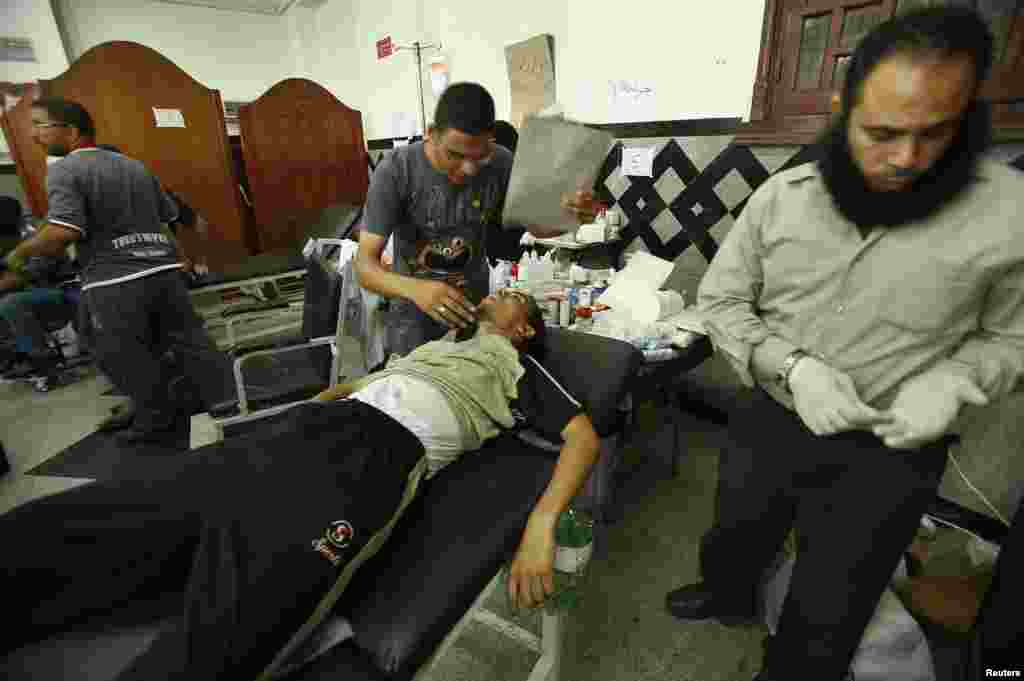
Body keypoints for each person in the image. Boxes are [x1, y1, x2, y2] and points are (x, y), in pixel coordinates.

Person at [666, 7, 1024, 681]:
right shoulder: (783, 198)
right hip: (774, 413)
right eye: (882, 133)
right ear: (841, 108)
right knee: (738, 526)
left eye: (935, 133)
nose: (907, 159)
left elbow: (1013, 336)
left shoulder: (1010, 213)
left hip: (893, 449)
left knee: (835, 599)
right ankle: (728, 591)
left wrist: (955, 379)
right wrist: (793, 368)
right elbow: (720, 301)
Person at [1, 288, 600, 679]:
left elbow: (583, 438)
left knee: (239, 620)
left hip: (370, 460)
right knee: (93, 516)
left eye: (513, 297)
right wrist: (322, 401)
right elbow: (367, 382)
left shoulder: (518, 367)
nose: (497, 293)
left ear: (523, 330)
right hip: (301, 432)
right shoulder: (438, 344)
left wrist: (540, 526)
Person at [4, 98, 236, 444]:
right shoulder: (134, 166)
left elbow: (65, 231)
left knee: (123, 353)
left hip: (116, 278)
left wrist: (19, 253)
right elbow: (168, 214)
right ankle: (227, 400)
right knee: (189, 340)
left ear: (71, 130)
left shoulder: (65, 170)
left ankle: (155, 419)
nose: (35, 134)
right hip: (162, 269)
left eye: (41, 124)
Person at [356, 82, 601, 358]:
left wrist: (573, 218)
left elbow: (537, 227)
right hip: (413, 322)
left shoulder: (500, 163)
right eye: (455, 155)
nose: (468, 169)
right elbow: (365, 266)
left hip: (478, 320)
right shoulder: (396, 170)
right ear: (431, 134)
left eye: (480, 156)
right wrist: (417, 290)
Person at [0, 195, 78, 386]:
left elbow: (24, 276)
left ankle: (47, 364)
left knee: (12, 303)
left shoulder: (38, 238)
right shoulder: (7, 242)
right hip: (32, 297)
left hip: (64, 294)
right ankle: (15, 358)